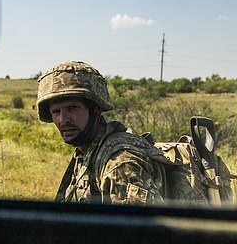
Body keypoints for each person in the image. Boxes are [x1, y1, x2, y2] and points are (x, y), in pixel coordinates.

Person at [36, 60, 169, 205]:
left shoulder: (120, 164)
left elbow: (140, 226)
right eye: (56, 111)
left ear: (96, 109)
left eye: (72, 108)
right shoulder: (88, 151)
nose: (62, 120)